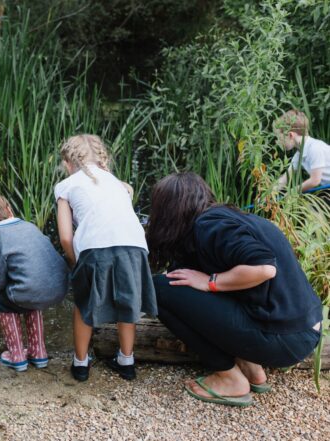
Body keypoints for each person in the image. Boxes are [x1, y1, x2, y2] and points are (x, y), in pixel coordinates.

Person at [147, 172, 322, 407]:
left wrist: (211, 282)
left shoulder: (208, 226)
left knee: (159, 288)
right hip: (301, 330)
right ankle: (252, 369)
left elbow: (264, 268)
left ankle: (229, 378)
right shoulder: (226, 219)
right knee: (182, 279)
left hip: (284, 338)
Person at [54, 134, 157, 382]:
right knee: (126, 301)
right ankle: (126, 361)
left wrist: (74, 262)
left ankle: (80, 364)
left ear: (68, 163)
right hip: (134, 245)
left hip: (95, 246)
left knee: (83, 301)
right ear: (102, 160)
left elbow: (66, 238)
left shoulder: (66, 186)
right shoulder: (117, 184)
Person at [0, 191, 68, 372]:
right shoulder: (29, 225)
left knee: (2, 300)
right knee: (30, 290)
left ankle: (16, 356)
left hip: (30, 291)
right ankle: (39, 352)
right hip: (58, 286)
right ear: (8, 209)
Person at [276, 109, 330, 192]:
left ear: (291, 135)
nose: (278, 142)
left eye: (280, 138)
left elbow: (315, 180)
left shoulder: (314, 148)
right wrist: (267, 196)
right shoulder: (299, 154)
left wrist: (293, 192)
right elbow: (284, 179)